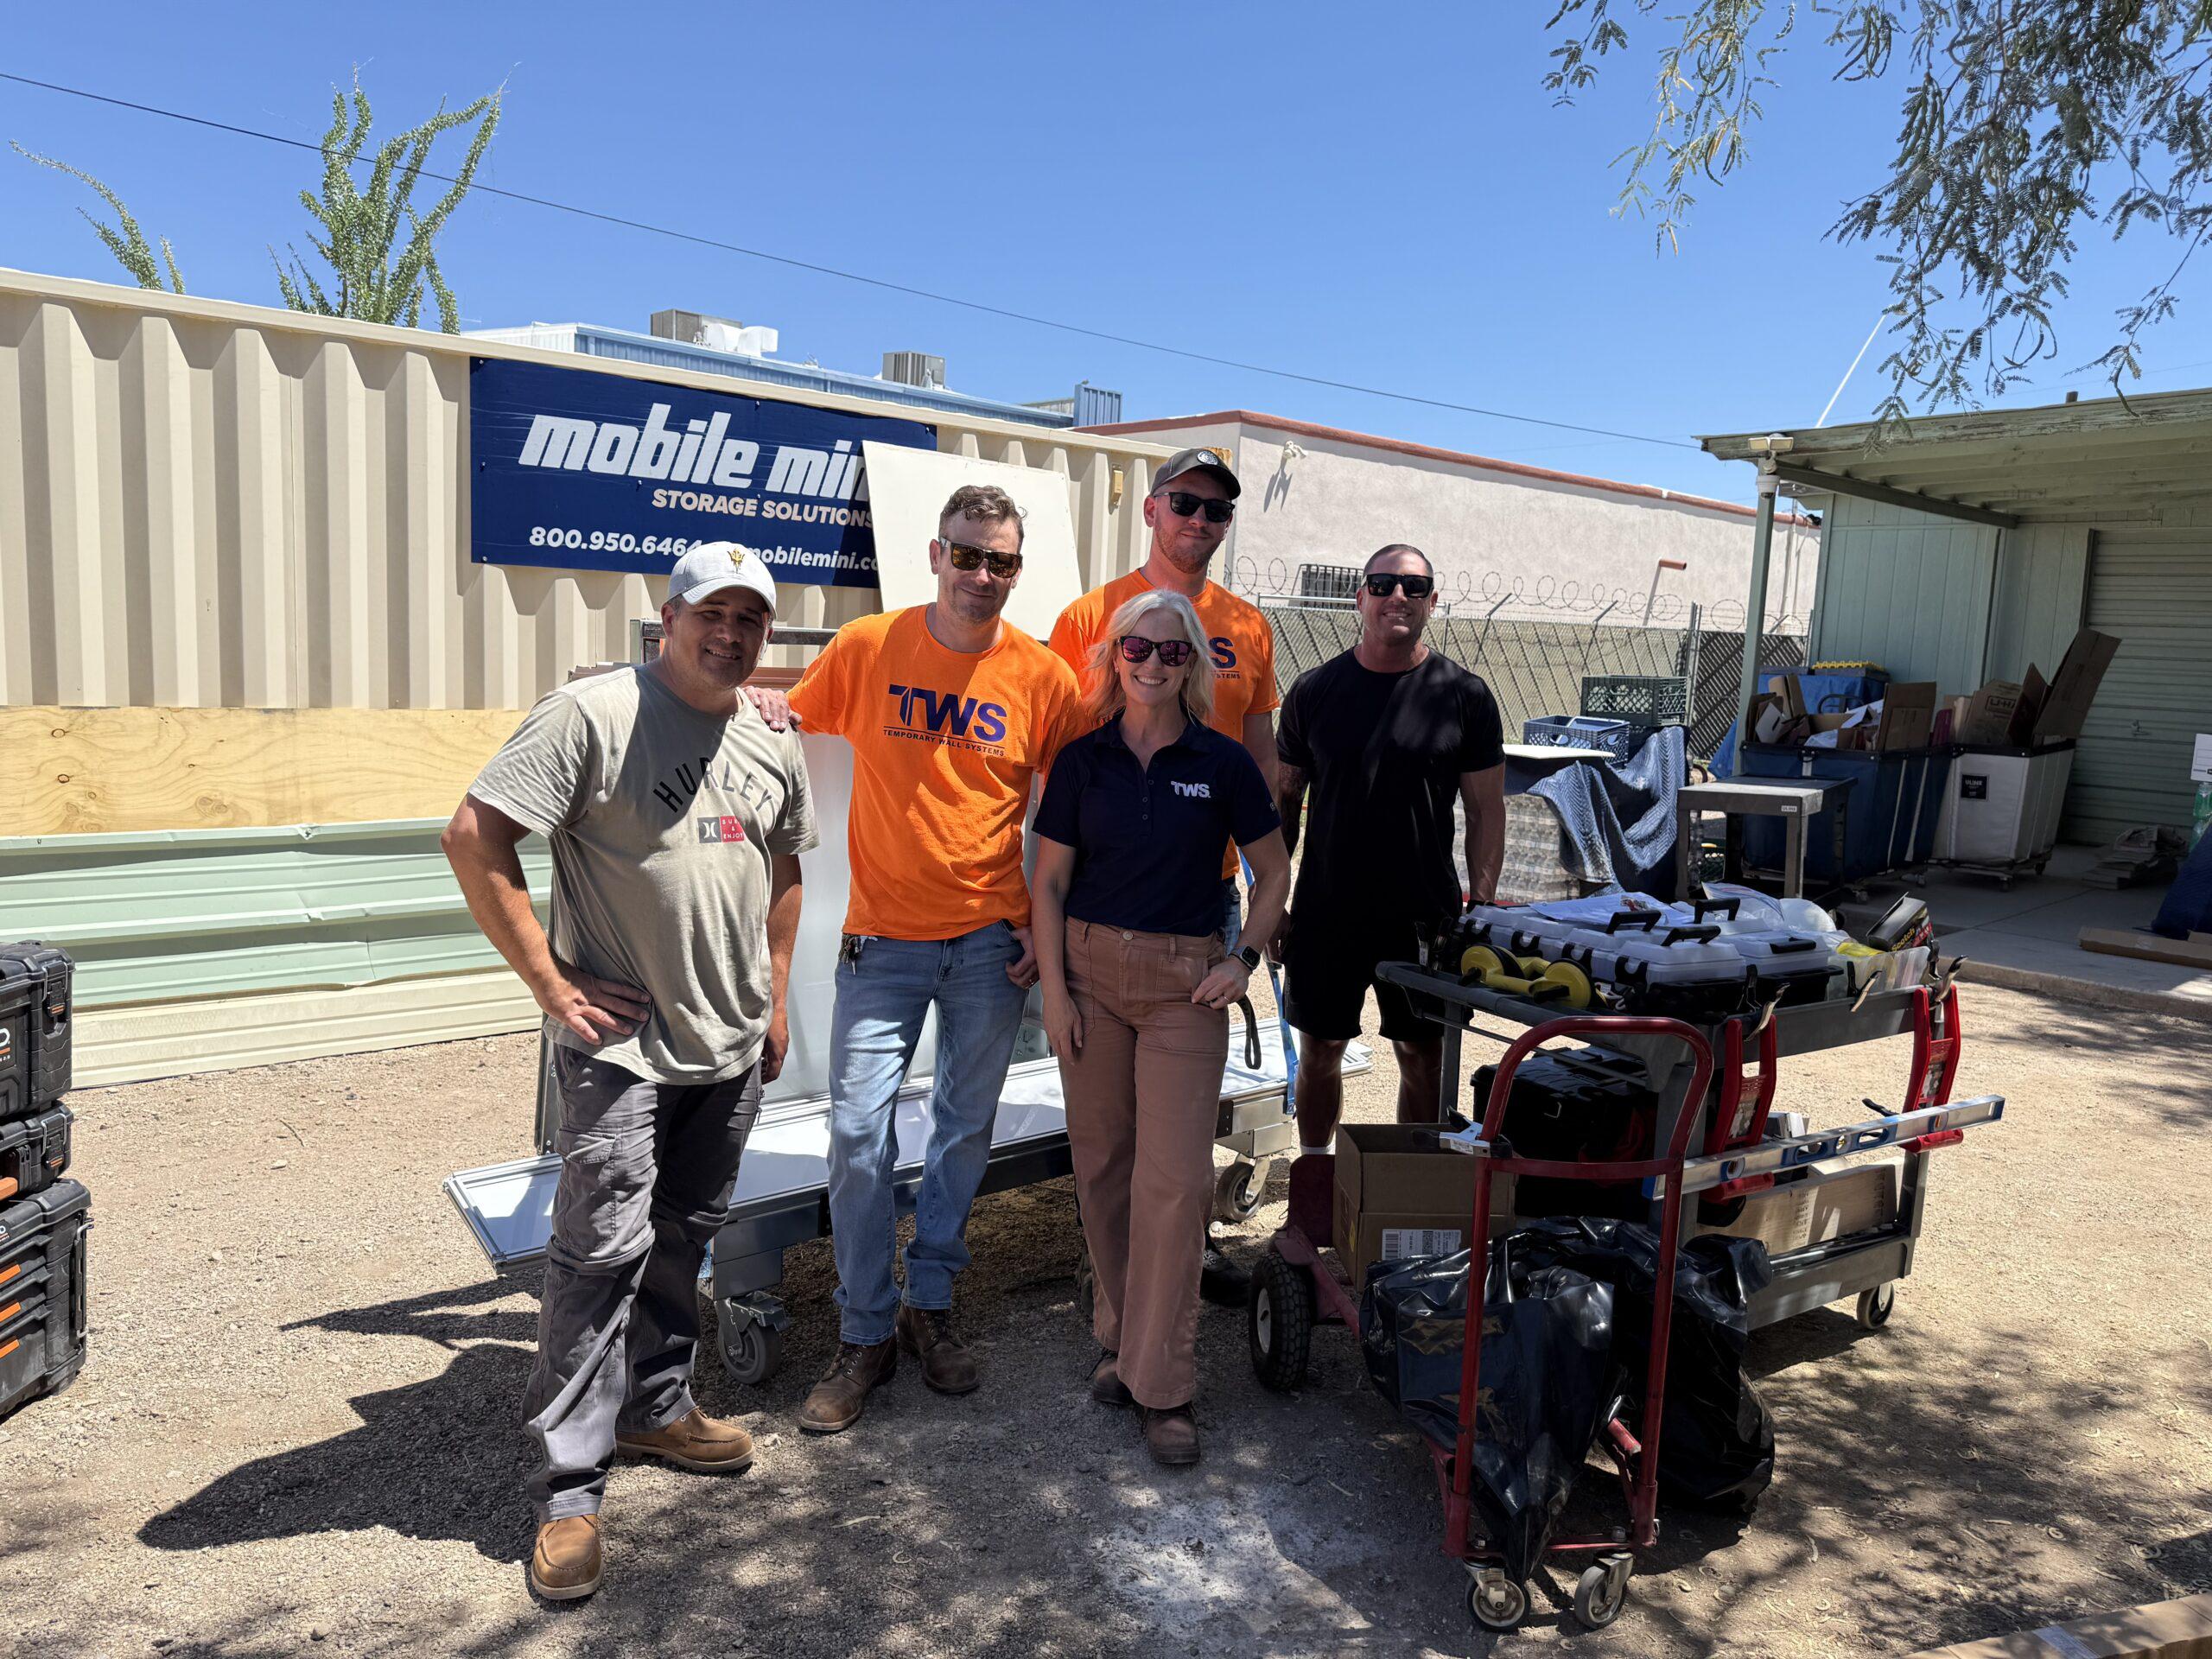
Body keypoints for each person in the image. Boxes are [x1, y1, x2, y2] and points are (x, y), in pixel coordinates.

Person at [442, 542, 815, 1603]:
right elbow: (474, 838)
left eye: (750, 619)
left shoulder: (765, 734)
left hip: (730, 1044)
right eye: (713, 615)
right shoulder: (591, 716)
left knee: (686, 1234)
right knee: (598, 1252)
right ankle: (569, 1489)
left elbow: (785, 869)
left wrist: (778, 993)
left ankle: (655, 1406)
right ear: (669, 616)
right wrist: (551, 982)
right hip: (623, 1051)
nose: (731, 635)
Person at [785, 483, 1083, 1434]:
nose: (981, 575)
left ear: (1016, 571)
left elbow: (1066, 819)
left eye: (1000, 561)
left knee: (962, 1131)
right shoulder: (867, 648)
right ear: (934, 555)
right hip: (879, 944)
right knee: (857, 1136)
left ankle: (932, 1305)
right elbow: (779, 726)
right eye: (967, 554)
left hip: (990, 943)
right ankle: (864, 1331)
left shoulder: (1043, 679)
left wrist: (1047, 929)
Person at [1032, 589, 1290, 1465]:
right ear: (1114, 656)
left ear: (1194, 666)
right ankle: (1120, 1338)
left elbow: (1272, 871)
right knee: (1102, 1167)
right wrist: (1057, 997)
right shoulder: (1081, 761)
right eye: (1136, 649)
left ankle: (1165, 1383)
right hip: (1090, 980)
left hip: (1187, 987)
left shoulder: (1221, 763)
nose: (1152, 664)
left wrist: (1242, 960)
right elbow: (1049, 886)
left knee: (1174, 1183)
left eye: (1172, 653)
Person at [1046, 446, 1280, 1304]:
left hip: (1202, 908)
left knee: (1175, 1143)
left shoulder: (1249, 627)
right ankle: (1118, 1287)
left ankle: (1166, 1278)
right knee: (1109, 1138)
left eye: (1216, 510)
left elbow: (1261, 767)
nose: (1199, 520)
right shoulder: (1086, 616)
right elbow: (1058, 759)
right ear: (1151, 509)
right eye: (1185, 502)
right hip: (1097, 907)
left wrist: (1263, 910)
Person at [1274, 543, 1505, 1150]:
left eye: (1412, 587)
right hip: (1327, 911)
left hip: (1423, 915)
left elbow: (1486, 811)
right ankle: (1316, 1177)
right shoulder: (1314, 691)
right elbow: (1284, 805)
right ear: (1360, 599)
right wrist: (1272, 903)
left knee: (1422, 1054)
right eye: (1381, 585)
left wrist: (1478, 909)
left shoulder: (1466, 696)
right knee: (1320, 1050)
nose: (1395, 596)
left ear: (1433, 601)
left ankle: (1409, 1181)